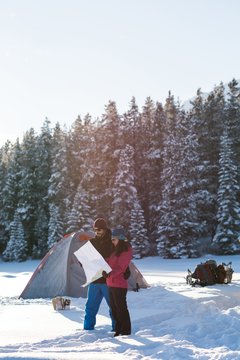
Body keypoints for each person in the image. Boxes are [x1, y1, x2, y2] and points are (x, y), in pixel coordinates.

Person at [83, 218, 115, 331]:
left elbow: (118, 260)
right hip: (95, 280)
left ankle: (117, 329)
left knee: (113, 307)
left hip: (109, 281)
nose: (97, 232)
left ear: (105, 229)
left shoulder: (112, 242)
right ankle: (88, 330)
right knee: (90, 307)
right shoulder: (92, 243)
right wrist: (83, 262)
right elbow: (85, 260)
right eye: (95, 229)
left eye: (99, 229)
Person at [102, 228, 132, 337]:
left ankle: (126, 331)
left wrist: (109, 274)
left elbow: (120, 267)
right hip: (111, 283)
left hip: (119, 284)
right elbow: (110, 262)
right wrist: (99, 261)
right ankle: (118, 330)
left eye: (114, 239)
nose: (112, 241)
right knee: (114, 309)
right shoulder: (116, 251)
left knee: (121, 308)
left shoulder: (126, 251)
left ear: (120, 239)